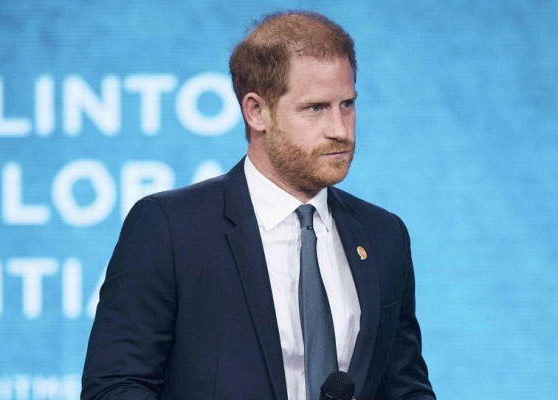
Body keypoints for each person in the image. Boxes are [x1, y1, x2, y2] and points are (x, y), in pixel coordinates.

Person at [82, 10, 435, 400]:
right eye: (316, 108)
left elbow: (404, 388)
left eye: (347, 104)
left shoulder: (384, 235)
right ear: (257, 111)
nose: (340, 129)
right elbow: (115, 386)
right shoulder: (170, 229)